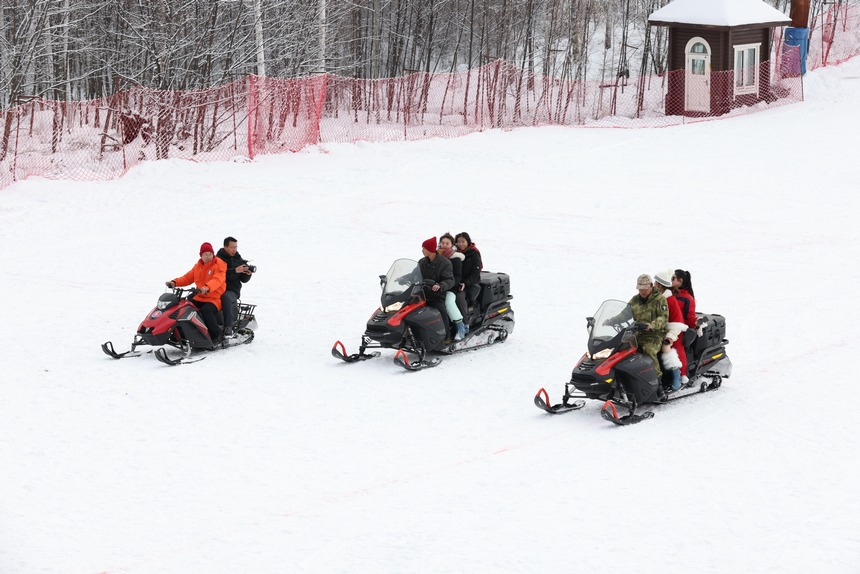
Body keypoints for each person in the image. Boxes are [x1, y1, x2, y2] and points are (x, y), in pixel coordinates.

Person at [166, 242, 227, 345]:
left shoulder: (219, 265)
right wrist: (174, 282)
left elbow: (217, 280)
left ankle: (217, 335)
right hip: (200, 296)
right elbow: (187, 278)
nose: (207, 257)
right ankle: (182, 333)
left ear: (213, 254)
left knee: (206, 311)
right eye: (205, 254)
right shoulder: (198, 266)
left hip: (214, 298)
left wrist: (207, 288)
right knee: (184, 307)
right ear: (201, 255)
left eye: (209, 254)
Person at [627, 274, 669, 380]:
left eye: (645, 289)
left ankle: (657, 379)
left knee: (649, 350)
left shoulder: (660, 299)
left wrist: (652, 325)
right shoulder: (635, 300)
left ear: (651, 286)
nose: (642, 292)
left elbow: (663, 317)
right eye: (640, 289)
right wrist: (610, 320)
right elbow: (624, 313)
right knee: (622, 348)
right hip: (638, 333)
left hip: (655, 334)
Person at [654, 270, 689, 391]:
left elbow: (677, 322)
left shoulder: (670, 300)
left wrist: (670, 337)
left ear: (660, 284)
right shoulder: (655, 298)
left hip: (673, 332)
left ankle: (677, 378)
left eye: (656, 283)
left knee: (666, 348)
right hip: (657, 331)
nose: (654, 285)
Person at [418, 236, 455, 339]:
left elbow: (450, 280)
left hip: (437, 295)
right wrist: (402, 278)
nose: (422, 251)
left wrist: (440, 285)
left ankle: (446, 336)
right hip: (422, 293)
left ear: (430, 249)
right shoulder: (422, 262)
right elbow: (414, 274)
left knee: (440, 310)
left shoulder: (445, 263)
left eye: (424, 248)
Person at [216, 236, 254, 337]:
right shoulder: (218, 259)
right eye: (232, 247)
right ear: (225, 247)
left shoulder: (239, 259)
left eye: (236, 247)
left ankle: (228, 327)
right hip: (217, 288)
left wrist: (247, 273)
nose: (234, 250)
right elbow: (219, 275)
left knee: (226, 297)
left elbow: (243, 280)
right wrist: (235, 270)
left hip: (231, 290)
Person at [438, 233, 468, 341]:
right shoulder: (436, 257)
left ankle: (460, 328)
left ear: (452, 245)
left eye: (447, 243)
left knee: (448, 302)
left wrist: (447, 285)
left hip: (451, 287)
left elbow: (458, 276)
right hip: (438, 287)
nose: (445, 245)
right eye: (442, 243)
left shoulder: (455, 259)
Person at [455, 232, 483, 305]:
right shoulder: (455, 253)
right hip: (457, 281)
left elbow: (475, 273)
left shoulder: (474, 254)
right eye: (458, 242)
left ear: (468, 241)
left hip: (471, 283)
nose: (461, 244)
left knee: (459, 298)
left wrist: (466, 283)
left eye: (463, 241)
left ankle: (464, 316)